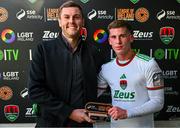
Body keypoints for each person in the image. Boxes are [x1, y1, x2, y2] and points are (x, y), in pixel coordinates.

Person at [28, 1, 104, 127]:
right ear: (59, 22)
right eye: (66, 17)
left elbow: (101, 86)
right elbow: (35, 90)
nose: (71, 21)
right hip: (50, 124)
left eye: (76, 17)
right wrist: (69, 112)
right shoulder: (43, 50)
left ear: (83, 22)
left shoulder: (94, 52)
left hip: (83, 124)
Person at [97, 20, 164, 128]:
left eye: (122, 36)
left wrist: (127, 113)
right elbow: (90, 94)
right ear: (109, 41)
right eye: (113, 37)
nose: (118, 41)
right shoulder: (106, 68)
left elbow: (158, 102)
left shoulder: (148, 64)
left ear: (131, 38)